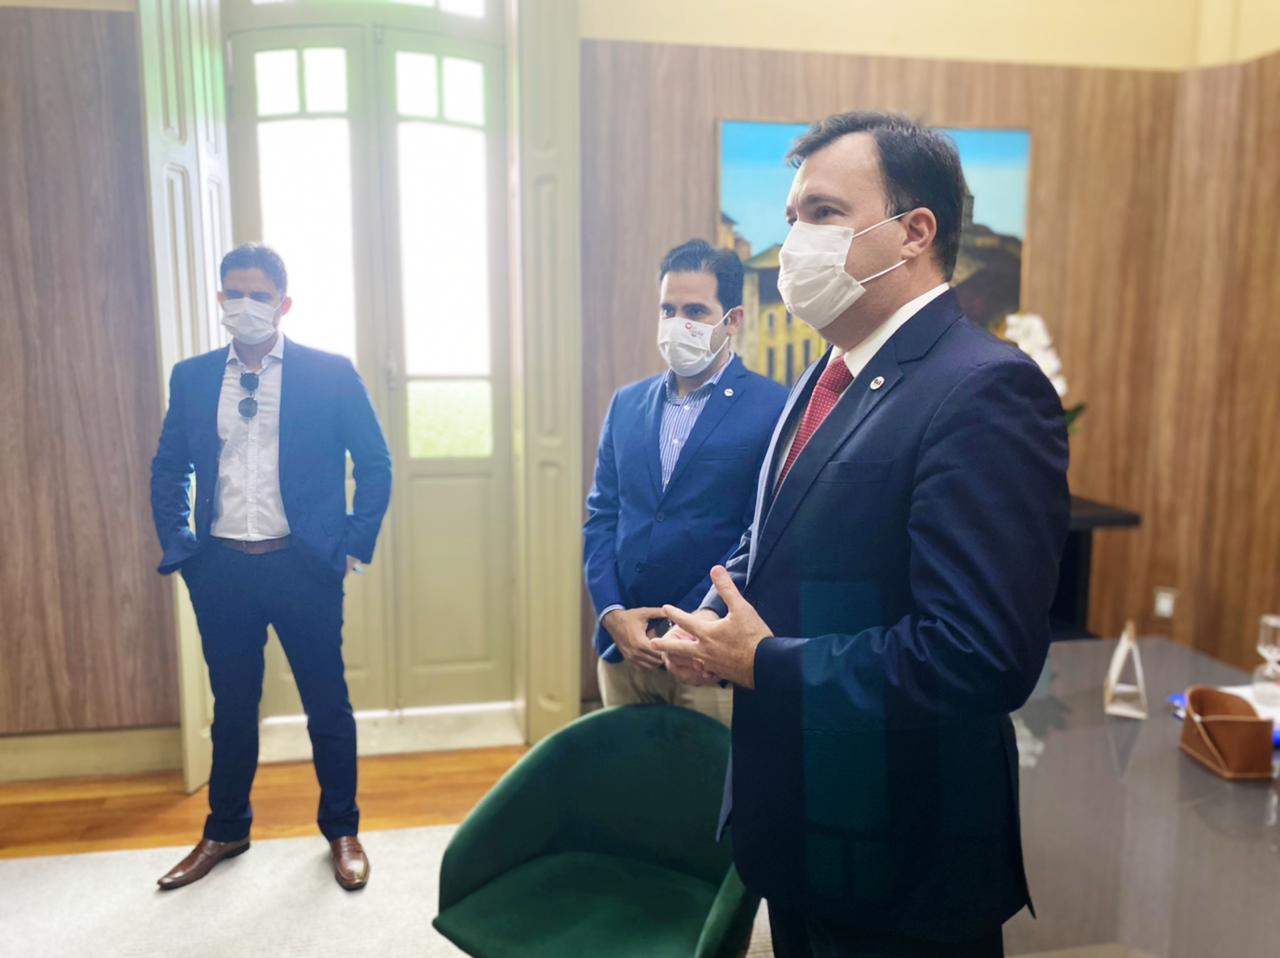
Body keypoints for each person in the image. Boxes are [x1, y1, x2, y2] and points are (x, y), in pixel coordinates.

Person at [652, 113, 1071, 956]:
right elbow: (779, 540)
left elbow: (978, 656)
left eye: (823, 213)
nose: (793, 242)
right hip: (802, 831)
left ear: (915, 232)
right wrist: (712, 624)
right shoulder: (824, 372)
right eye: (791, 217)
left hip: (899, 862)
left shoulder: (986, 389)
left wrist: (765, 663)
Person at [150, 243, 392, 891]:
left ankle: (342, 830)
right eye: (234, 293)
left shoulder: (330, 373)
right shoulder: (193, 377)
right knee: (232, 707)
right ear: (220, 299)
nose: (246, 305)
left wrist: (351, 543)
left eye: (260, 295)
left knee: (326, 704)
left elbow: (375, 464)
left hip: (303, 566)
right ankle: (225, 828)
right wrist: (181, 545)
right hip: (221, 568)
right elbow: (170, 466)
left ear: (283, 304)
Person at [584, 239, 788, 725]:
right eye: (668, 310)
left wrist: (690, 623)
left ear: (732, 320)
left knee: (705, 775)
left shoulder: (774, 408)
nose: (678, 323)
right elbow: (602, 516)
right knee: (626, 771)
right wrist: (612, 612)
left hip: (707, 656)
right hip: (625, 650)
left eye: (695, 311)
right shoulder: (626, 404)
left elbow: (759, 533)